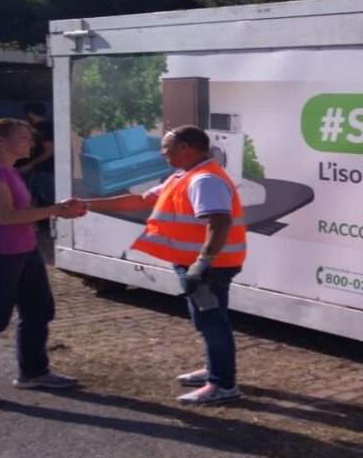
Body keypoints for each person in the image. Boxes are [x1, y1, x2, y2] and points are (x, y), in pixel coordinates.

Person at [76, 125, 247, 405]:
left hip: (208, 269)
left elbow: (220, 222)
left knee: (212, 322)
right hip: (197, 265)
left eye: (166, 147)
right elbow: (140, 200)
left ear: (185, 147)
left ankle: (222, 385)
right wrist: (86, 204)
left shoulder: (204, 180)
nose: (161, 152)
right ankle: (215, 369)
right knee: (206, 320)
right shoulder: (183, 176)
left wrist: (203, 262)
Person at [0, 118, 84, 407]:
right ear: (0, 140)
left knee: (38, 310)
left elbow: (23, 211)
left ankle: (33, 372)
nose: (32, 143)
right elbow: (6, 217)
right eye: (24, 137)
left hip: (25, 250)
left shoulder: (9, 171)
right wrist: (55, 211)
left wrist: (52, 210)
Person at [16, 103, 55, 207]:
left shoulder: (42, 128)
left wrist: (29, 165)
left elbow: (50, 150)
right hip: (37, 171)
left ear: (30, 114)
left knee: (52, 200)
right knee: (31, 200)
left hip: (44, 171)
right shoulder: (43, 127)